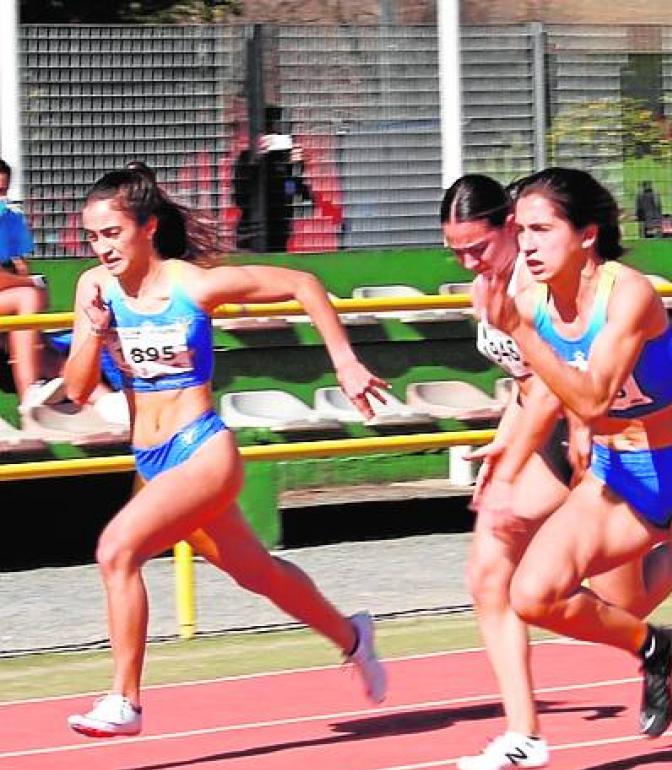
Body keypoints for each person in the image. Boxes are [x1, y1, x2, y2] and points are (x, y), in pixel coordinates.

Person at [477, 167, 672, 770]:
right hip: (616, 477)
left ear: (587, 235)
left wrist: (520, 331)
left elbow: (594, 394)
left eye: (542, 230)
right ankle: (653, 646)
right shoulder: (530, 304)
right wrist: (511, 450)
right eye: (521, 230)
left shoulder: (628, 293)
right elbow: (548, 389)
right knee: (532, 593)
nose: (525, 244)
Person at [63, 168, 388, 738]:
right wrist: (93, 331)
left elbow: (304, 284)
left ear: (148, 228)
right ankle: (353, 636)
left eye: (112, 233)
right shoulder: (96, 287)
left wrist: (345, 361)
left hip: (202, 450)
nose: (102, 247)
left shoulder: (193, 285)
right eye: (93, 237)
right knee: (255, 571)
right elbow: (78, 390)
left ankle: (125, 701)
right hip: (151, 459)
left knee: (116, 551)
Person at [440, 174, 672, 770]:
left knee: (626, 595)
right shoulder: (491, 288)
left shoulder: (540, 278)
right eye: (456, 252)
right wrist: (503, 449)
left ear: (512, 228)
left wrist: (510, 463)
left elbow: (553, 387)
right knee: (487, 572)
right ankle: (524, 733)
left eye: (480, 247)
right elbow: (525, 385)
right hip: (539, 427)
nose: (471, 262)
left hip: (585, 430)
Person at [0, 158, 49, 402]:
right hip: (11, 299)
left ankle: (105, 401)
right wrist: (32, 283)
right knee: (27, 295)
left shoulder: (9, 218)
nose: (1, 197)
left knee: (48, 355)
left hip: (7, 304)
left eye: (3, 191)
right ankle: (29, 393)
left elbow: (20, 265)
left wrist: (30, 282)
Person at [232, 106, 312, 253]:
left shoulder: (285, 161)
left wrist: (294, 170)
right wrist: (256, 163)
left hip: (277, 232)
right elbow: (240, 198)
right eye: (272, 130)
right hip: (251, 233)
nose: (276, 135)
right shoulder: (246, 158)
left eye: (280, 131)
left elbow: (293, 194)